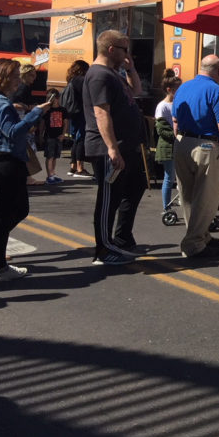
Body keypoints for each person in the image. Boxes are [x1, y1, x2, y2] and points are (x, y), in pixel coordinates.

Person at [0, 59, 51, 280]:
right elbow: (13, 132)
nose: (18, 80)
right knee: (6, 213)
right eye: (15, 76)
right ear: (3, 78)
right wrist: (35, 114)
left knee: (11, 211)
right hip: (5, 161)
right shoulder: (0, 102)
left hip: (2, 161)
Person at [84, 30, 147, 266]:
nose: (127, 54)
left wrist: (130, 69)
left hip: (126, 147)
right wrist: (112, 148)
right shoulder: (99, 75)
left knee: (136, 186)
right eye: (124, 49)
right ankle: (103, 249)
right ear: (111, 50)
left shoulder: (114, 74)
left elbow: (135, 92)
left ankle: (121, 238)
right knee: (108, 198)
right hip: (108, 149)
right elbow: (101, 112)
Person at [173, 54, 219, 259]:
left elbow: (175, 120)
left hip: (183, 142)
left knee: (188, 195)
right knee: (207, 197)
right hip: (207, 145)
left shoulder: (183, 87)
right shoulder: (217, 91)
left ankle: (202, 236)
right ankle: (193, 243)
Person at [153, 69, 181, 214]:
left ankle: (179, 200)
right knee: (169, 177)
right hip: (167, 146)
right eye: (178, 89)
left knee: (180, 176)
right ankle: (166, 207)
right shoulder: (162, 106)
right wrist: (177, 135)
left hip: (178, 144)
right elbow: (161, 130)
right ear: (169, 90)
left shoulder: (178, 104)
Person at [64, 60, 92, 178]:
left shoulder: (72, 79)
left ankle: (73, 166)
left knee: (76, 139)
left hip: (73, 113)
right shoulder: (80, 80)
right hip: (81, 112)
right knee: (81, 139)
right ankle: (80, 168)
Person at [42, 88, 67, 185]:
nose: (53, 100)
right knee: (50, 156)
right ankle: (49, 175)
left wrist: (63, 134)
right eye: (50, 98)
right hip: (49, 136)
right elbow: (43, 123)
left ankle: (53, 173)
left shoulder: (63, 110)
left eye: (54, 98)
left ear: (58, 98)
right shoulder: (47, 110)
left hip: (58, 136)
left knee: (55, 156)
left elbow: (65, 123)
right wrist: (40, 135)